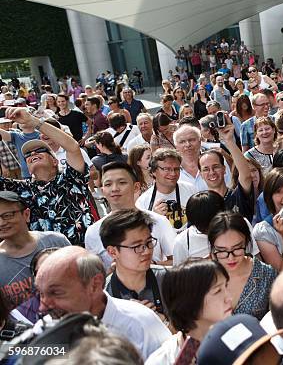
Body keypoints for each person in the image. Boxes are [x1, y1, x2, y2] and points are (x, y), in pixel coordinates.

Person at [35, 246, 171, 360]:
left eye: (56, 293)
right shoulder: (42, 332)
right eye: (40, 294)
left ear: (95, 284)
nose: (42, 307)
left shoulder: (141, 323)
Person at [0, 108, 95, 245]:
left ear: (55, 161)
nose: (32, 154)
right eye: (28, 155)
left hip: (82, 254)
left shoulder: (71, 179)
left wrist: (32, 121)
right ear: (27, 167)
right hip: (45, 260)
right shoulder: (21, 189)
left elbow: (73, 147)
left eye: (40, 150)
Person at [85, 162, 175, 271]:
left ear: (136, 187)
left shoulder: (158, 221)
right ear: (103, 191)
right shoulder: (93, 232)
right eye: (108, 184)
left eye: (122, 182)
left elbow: (177, 261)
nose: (114, 189)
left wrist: (153, 265)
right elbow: (94, 274)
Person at [0, 191, 70, 323]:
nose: (2, 223)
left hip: (73, 322)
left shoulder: (56, 241)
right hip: (29, 338)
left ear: (26, 214)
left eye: (7, 215)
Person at [146, 259, 232, 365]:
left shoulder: (241, 338)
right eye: (218, 291)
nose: (229, 298)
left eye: (226, 286)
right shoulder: (165, 360)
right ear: (189, 302)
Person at [100, 209, 168, 320]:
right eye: (137, 246)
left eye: (149, 242)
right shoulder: (104, 296)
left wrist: (158, 320)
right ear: (112, 252)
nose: (146, 251)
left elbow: (192, 331)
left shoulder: (170, 279)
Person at [209, 212, 276, 320]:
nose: (231, 258)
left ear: (247, 243)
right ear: (213, 248)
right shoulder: (204, 276)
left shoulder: (266, 275)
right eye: (222, 251)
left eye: (237, 249)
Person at [199, 113, 255, 220]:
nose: (212, 172)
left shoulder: (237, 195)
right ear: (200, 174)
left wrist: (229, 140)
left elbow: (246, 176)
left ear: (224, 169)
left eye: (215, 167)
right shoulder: (200, 204)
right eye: (206, 169)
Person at [136, 149, 198, 231]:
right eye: (167, 169)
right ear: (154, 171)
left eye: (176, 169)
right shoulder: (143, 202)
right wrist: (154, 218)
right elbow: (142, 233)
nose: (173, 174)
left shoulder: (191, 190)